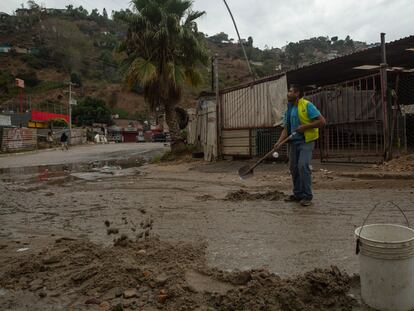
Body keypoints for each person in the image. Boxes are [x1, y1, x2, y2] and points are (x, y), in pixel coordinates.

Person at [274, 85, 326, 206]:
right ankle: (298, 194)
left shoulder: (307, 105)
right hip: (294, 143)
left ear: (297, 93)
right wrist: (279, 142)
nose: (288, 94)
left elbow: (322, 121)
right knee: (293, 168)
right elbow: (286, 129)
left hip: (306, 141)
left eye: (290, 91)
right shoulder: (289, 109)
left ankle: (307, 195)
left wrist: (305, 127)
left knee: (302, 166)